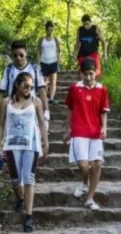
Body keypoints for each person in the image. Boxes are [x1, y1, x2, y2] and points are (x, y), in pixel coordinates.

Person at [0, 72, 49, 233]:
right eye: (25, 85)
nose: (29, 89)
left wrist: (45, 142)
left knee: (29, 178)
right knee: (15, 179)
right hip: (11, 144)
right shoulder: (6, 102)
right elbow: (0, 124)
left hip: (30, 144)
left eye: (31, 86)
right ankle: (20, 198)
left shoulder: (36, 101)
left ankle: (28, 216)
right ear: (17, 85)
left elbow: (41, 123)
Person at [64, 58, 110, 211]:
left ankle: (90, 198)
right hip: (79, 130)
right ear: (81, 74)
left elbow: (103, 111)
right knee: (83, 165)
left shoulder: (102, 89)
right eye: (85, 74)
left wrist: (104, 127)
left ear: (96, 73)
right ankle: (85, 182)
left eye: (91, 74)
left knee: (97, 164)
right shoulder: (74, 88)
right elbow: (69, 109)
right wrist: (67, 129)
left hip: (95, 132)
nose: (89, 77)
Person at [0, 40, 50, 129]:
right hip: (12, 110)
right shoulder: (8, 70)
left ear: (26, 53)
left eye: (21, 55)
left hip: (31, 110)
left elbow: (41, 90)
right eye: (15, 55)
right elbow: (1, 92)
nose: (18, 58)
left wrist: (46, 110)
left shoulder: (34, 69)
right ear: (12, 55)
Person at [73, 14, 107, 79]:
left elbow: (104, 42)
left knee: (97, 72)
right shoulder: (80, 30)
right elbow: (77, 43)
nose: (86, 26)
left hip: (93, 53)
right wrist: (74, 54)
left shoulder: (96, 29)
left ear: (90, 22)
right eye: (84, 24)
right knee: (83, 73)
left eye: (87, 24)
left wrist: (105, 54)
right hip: (82, 54)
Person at [37, 21, 61, 105]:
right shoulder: (41, 40)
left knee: (53, 81)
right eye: (48, 30)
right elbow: (39, 52)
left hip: (53, 62)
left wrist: (58, 64)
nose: (50, 32)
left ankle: (51, 98)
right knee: (44, 82)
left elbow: (58, 52)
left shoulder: (56, 40)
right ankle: (45, 98)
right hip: (44, 62)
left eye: (51, 30)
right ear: (46, 30)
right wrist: (38, 64)